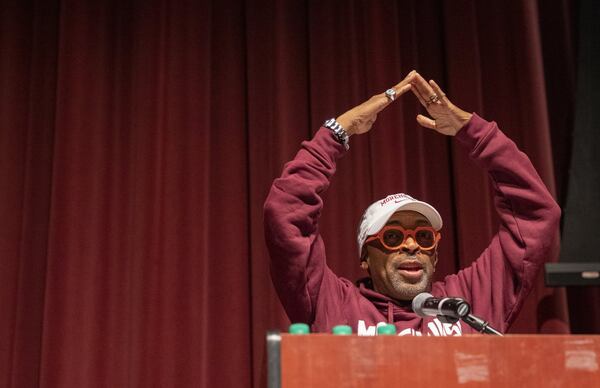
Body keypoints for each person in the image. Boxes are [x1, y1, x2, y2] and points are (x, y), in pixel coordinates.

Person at [263, 71, 560, 336]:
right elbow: (286, 214)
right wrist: (337, 133)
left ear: (434, 255)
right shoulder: (333, 304)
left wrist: (474, 133)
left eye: (423, 236)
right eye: (392, 237)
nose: (411, 246)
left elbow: (535, 214)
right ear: (365, 256)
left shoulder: (468, 303)